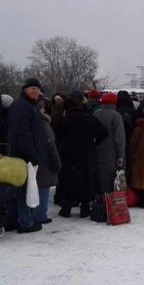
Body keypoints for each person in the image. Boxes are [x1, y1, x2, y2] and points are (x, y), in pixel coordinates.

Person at [55, 90, 109, 218]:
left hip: (68, 154)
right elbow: (104, 132)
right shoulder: (90, 119)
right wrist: (94, 142)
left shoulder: (64, 120)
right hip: (86, 154)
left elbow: (57, 136)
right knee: (86, 180)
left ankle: (66, 208)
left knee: (68, 180)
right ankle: (85, 208)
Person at [8, 77, 48, 233]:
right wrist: (32, 154)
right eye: (32, 88)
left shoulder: (30, 106)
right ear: (24, 89)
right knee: (25, 189)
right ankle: (25, 222)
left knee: (26, 188)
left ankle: (24, 219)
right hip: (24, 156)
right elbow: (22, 134)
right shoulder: (22, 106)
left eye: (37, 89)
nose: (35, 91)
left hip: (27, 154)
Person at [35, 98, 62, 224]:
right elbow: (51, 146)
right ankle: (41, 215)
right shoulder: (44, 125)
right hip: (44, 161)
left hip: (32, 160)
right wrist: (57, 163)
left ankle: (32, 214)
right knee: (43, 187)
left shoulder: (27, 122)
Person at [93, 92, 126, 194]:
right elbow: (119, 137)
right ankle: (108, 200)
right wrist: (121, 155)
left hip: (97, 149)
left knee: (98, 174)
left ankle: (98, 199)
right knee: (110, 176)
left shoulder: (96, 113)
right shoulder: (116, 116)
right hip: (111, 152)